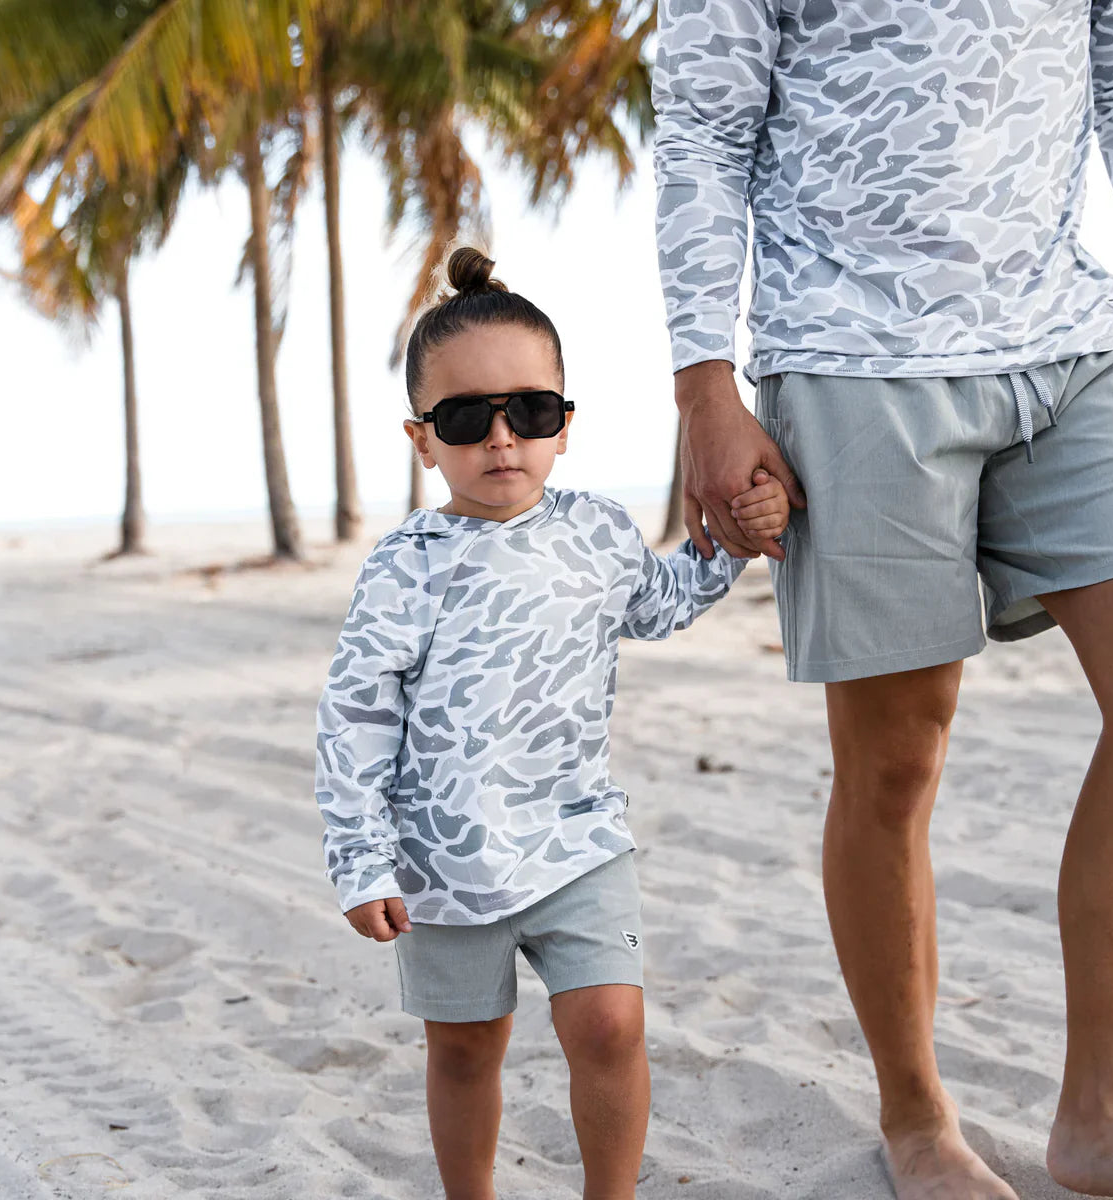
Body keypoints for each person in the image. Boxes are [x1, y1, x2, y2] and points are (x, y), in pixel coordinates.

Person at [652, 2, 1113, 1198]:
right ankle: (917, 1121)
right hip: (853, 354)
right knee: (896, 762)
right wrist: (706, 390)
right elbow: (703, 125)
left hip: (1073, 339)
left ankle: (1102, 1112)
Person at [313, 245, 788, 1200]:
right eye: (465, 418)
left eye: (529, 411)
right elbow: (356, 713)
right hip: (443, 859)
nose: (501, 438)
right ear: (422, 440)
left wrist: (740, 533)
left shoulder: (599, 531)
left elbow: (662, 601)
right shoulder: (407, 565)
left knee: (612, 1026)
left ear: (564, 424)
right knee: (464, 1049)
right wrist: (360, 859)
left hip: (578, 838)